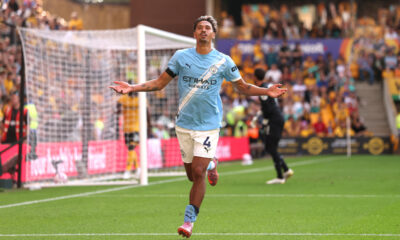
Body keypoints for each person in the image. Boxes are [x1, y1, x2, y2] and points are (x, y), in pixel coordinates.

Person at [109, 16, 287, 238]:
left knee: (198, 171)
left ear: (213, 34)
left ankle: (189, 221)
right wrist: (132, 88)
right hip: (184, 123)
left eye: (208, 28)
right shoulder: (181, 57)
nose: (204, 31)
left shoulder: (223, 61)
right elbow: (159, 83)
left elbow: (242, 87)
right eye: (200, 28)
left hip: (209, 124)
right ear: (194, 33)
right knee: (192, 176)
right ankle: (212, 163)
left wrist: (266, 91)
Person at [253, 68, 293, 184]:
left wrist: (264, 120)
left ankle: (281, 176)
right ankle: (285, 170)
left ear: (255, 77)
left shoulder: (263, 90)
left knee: (270, 147)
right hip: (277, 118)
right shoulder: (268, 86)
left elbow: (268, 108)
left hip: (274, 120)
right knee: (271, 147)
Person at [117, 91, 141, 179]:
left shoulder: (141, 99)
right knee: (131, 149)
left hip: (137, 128)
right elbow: (117, 108)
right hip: (126, 127)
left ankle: (127, 170)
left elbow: (147, 112)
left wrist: (149, 126)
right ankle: (138, 168)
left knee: (131, 147)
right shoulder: (124, 98)